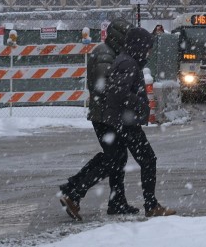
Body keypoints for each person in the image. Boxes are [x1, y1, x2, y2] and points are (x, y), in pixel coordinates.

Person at [59, 19, 135, 219]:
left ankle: (116, 201)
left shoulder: (110, 51)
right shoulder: (105, 53)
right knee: (113, 158)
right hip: (105, 115)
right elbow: (106, 85)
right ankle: (73, 190)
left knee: (117, 157)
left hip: (106, 114)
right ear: (120, 36)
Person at [102, 26, 176, 217]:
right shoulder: (128, 63)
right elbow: (118, 92)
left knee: (117, 162)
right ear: (139, 46)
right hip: (126, 122)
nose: (149, 52)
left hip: (121, 121)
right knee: (148, 160)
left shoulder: (127, 61)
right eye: (147, 47)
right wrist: (139, 104)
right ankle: (151, 205)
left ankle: (117, 202)